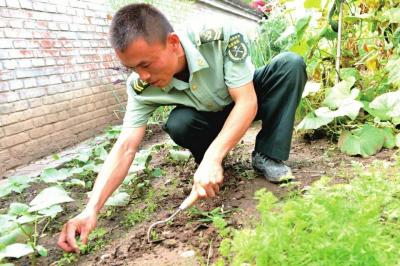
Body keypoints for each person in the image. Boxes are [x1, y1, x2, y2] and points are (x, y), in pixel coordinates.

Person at [58, 3, 306, 253]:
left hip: (247, 96)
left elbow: (246, 101)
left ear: (174, 42)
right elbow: (125, 147)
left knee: (290, 64)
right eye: (132, 68)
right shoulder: (141, 87)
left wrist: (213, 156)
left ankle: (266, 154)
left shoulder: (218, 36)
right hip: (209, 119)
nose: (142, 76)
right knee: (178, 123)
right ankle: (213, 165)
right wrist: (90, 210)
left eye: (146, 64)